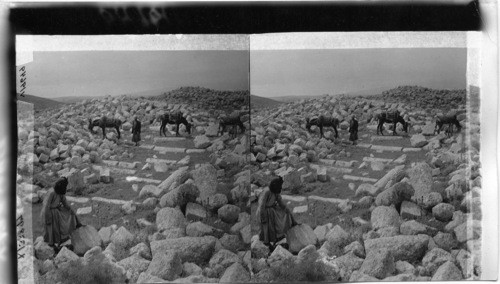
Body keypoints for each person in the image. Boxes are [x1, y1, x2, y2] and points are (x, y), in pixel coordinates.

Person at [256, 176, 298, 252]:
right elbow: (261, 205)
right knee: (266, 228)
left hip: (271, 211)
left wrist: (287, 210)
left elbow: (281, 203)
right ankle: (267, 243)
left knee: (281, 217)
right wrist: (263, 217)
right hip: (264, 212)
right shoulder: (267, 191)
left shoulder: (275, 192)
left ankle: (275, 238)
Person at [40, 177, 82, 251]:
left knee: (69, 214)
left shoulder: (60, 192)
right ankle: (51, 243)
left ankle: (62, 238)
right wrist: (48, 217)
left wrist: (71, 210)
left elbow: (65, 203)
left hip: (56, 211)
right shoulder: (52, 192)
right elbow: (46, 205)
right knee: (51, 228)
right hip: (49, 212)